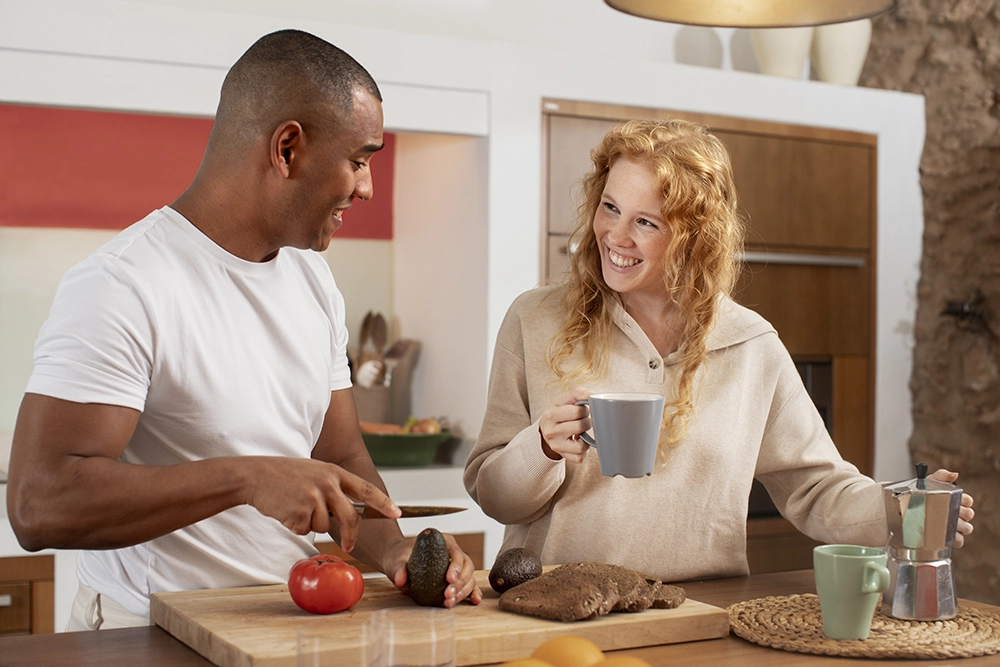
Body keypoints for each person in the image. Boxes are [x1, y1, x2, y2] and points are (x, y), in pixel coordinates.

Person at [6, 29, 482, 630]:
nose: (366, 187)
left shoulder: (313, 279)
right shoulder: (123, 284)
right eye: (359, 160)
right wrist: (246, 478)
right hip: (151, 633)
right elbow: (37, 503)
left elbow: (338, 454)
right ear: (288, 149)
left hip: (282, 626)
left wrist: (394, 549)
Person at [463, 118, 975, 582]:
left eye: (646, 222)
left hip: (700, 616)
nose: (614, 236)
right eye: (610, 207)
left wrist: (901, 507)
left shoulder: (751, 345)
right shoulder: (536, 318)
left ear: (694, 238)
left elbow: (815, 488)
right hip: (558, 607)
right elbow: (493, 495)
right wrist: (542, 448)